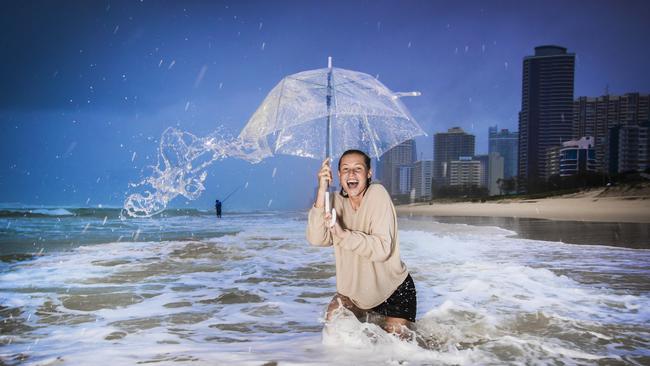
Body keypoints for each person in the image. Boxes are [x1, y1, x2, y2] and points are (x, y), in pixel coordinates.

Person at [306, 149, 417, 336]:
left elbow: (382, 249)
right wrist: (322, 189)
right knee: (335, 329)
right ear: (338, 175)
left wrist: (342, 233)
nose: (351, 174)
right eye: (345, 169)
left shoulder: (377, 194)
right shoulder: (332, 201)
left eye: (358, 168)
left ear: (369, 173)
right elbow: (316, 239)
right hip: (355, 295)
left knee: (398, 352)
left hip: (393, 290)